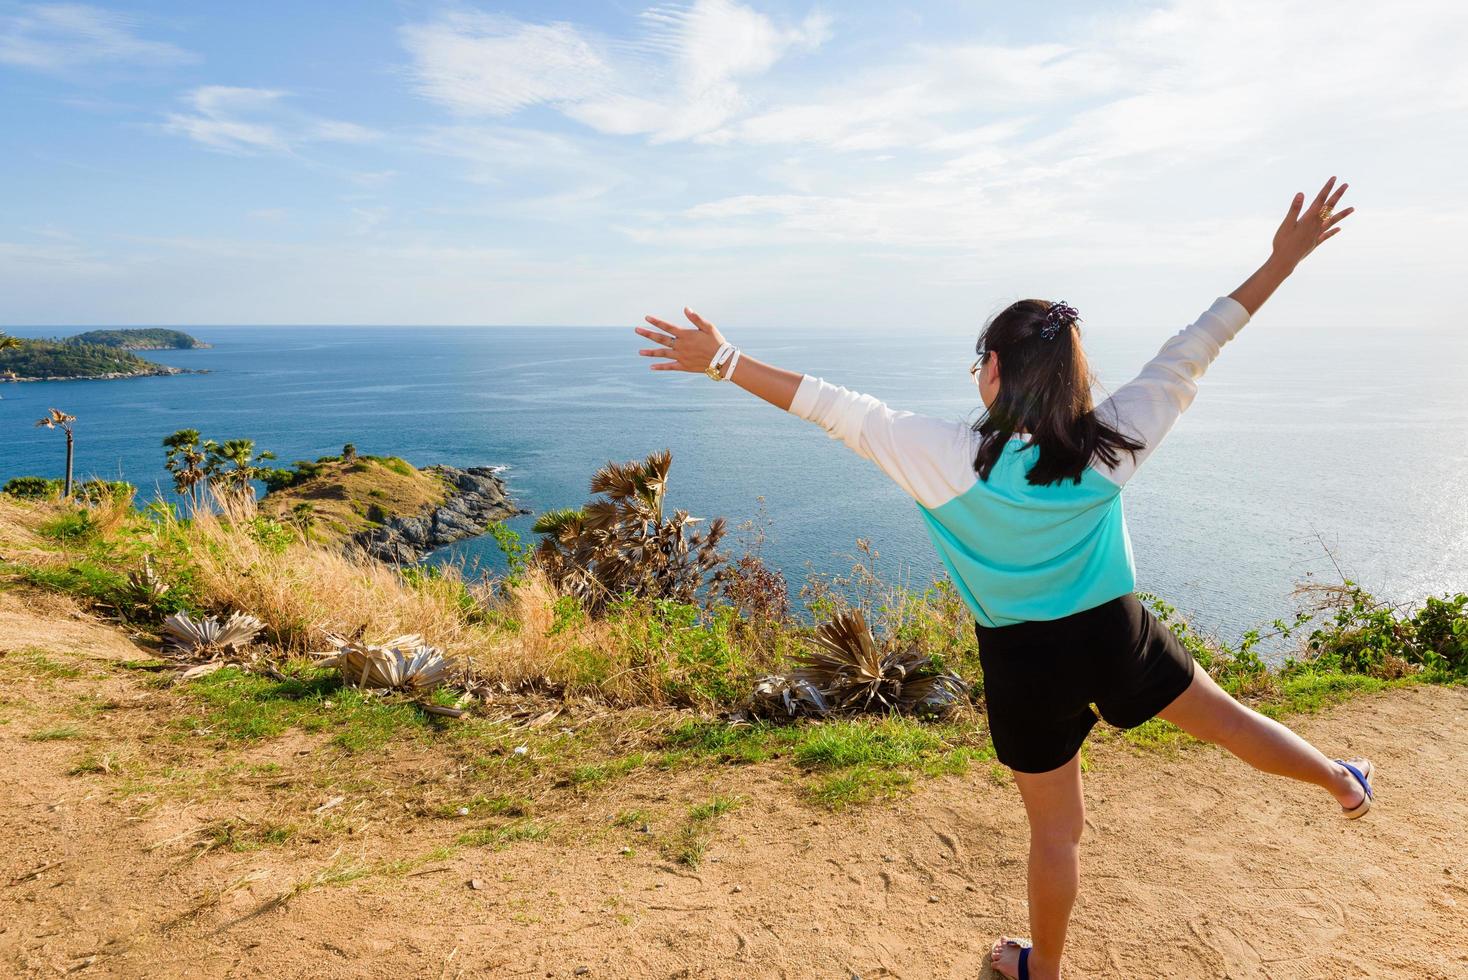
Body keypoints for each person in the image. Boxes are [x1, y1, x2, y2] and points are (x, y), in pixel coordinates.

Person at [634, 177, 1370, 980]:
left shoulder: (943, 458)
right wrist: (1282, 262)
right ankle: (1342, 784)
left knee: (1056, 833)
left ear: (992, 368)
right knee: (1230, 724)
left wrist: (724, 360)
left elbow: (828, 406)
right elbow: (1199, 342)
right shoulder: (1110, 444)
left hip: (1021, 661)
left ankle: (1041, 971)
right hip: (1116, 635)